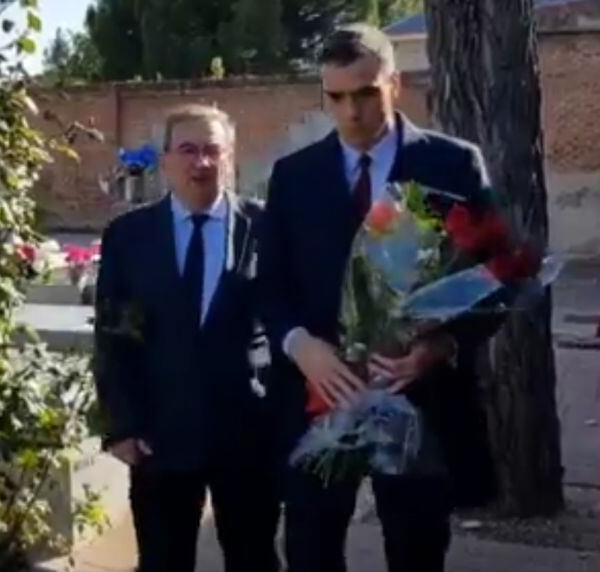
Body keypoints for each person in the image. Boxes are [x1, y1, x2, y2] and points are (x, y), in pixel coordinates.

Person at [258, 24, 502, 572]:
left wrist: (438, 347)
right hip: (319, 397)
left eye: (365, 93)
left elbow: (494, 276)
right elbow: (270, 285)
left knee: (416, 550)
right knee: (310, 550)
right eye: (336, 97)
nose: (350, 112)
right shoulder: (293, 177)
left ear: (395, 84)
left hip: (418, 397)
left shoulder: (453, 165)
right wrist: (301, 347)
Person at [93, 104, 280, 572]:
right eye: (189, 150)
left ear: (230, 156)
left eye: (213, 150)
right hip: (160, 435)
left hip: (246, 434)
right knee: (162, 560)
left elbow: (284, 322)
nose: (202, 162)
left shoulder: (266, 228)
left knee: (254, 558)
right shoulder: (129, 236)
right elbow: (114, 335)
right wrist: (121, 425)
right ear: (165, 159)